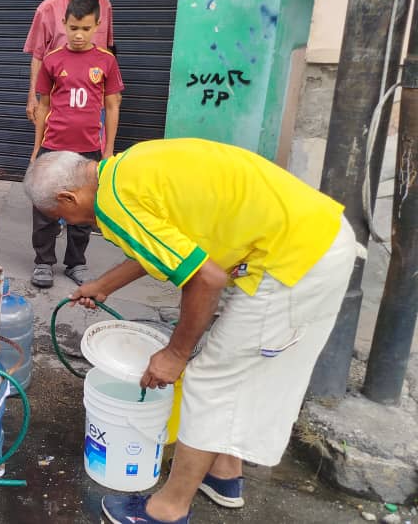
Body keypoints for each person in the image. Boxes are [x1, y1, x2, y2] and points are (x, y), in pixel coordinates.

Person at [22, 140, 357, 524]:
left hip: (297, 261)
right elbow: (171, 246)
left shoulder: (112, 203)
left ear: (68, 196)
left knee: (207, 381)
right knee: (234, 368)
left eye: (63, 217)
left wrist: (175, 355)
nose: (70, 224)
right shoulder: (126, 168)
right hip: (310, 236)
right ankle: (223, 474)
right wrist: (104, 284)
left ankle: (167, 510)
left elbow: (205, 278)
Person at [28, 0, 122, 289]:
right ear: (64, 24)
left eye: (85, 28)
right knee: (45, 206)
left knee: (83, 208)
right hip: (54, 145)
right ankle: (43, 262)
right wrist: (36, 150)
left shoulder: (106, 61)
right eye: (73, 28)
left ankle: (76, 262)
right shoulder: (52, 60)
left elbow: (112, 106)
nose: (78, 35)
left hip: (88, 149)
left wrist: (107, 150)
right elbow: (43, 106)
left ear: (97, 26)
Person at [24, 0, 114, 124]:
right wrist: (32, 96)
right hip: (57, 104)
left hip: (94, 104)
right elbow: (38, 57)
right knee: (55, 149)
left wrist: (113, 94)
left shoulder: (104, 5)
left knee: (94, 148)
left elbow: (107, 50)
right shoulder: (47, 9)